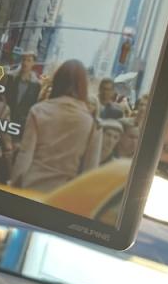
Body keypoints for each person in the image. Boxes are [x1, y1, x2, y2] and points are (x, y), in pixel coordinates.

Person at [11, 59, 102, 193]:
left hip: (31, 187)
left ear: (57, 81)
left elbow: (25, 155)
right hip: (63, 195)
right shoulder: (91, 123)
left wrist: (13, 185)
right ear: (83, 86)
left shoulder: (39, 110)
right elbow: (90, 170)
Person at [5, 51, 41, 130]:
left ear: (33, 63)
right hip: (5, 119)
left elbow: (33, 105)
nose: (25, 63)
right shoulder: (11, 78)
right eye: (24, 60)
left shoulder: (36, 85)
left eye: (29, 60)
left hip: (21, 125)